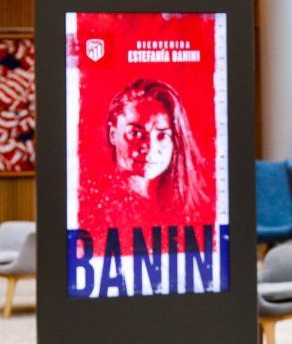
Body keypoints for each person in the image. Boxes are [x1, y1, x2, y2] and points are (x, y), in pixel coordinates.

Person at [80, 78, 212, 244]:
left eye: (162, 135)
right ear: (113, 134)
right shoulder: (96, 212)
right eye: (135, 133)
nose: (149, 147)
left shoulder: (196, 208)